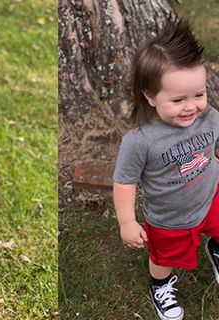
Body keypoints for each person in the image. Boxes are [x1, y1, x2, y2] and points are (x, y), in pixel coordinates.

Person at [113, 19, 219, 320]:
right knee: (165, 259)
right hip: (170, 219)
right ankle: (160, 285)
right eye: (177, 100)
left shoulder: (210, 117)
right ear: (150, 96)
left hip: (212, 196)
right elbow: (124, 182)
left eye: (198, 95)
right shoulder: (140, 141)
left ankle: (216, 250)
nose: (191, 107)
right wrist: (126, 222)